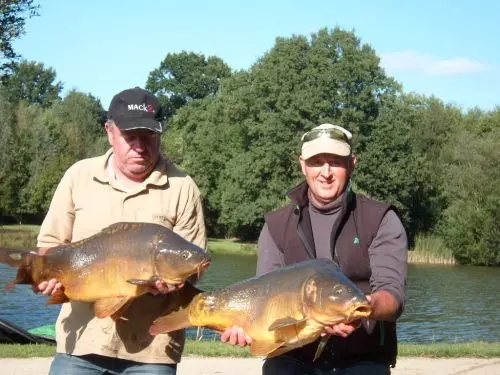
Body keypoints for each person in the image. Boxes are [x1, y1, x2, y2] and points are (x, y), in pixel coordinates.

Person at [36, 87, 207, 374]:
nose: (140, 146)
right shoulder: (79, 176)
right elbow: (49, 246)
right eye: (131, 136)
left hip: (153, 350)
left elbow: (195, 263)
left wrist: (175, 282)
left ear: (159, 133)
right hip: (80, 342)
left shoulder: (182, 186)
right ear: (110, 132)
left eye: (149, 136)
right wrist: (48, 276)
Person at [221, 123, 408, 375]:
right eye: (317, 162)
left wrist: (363, 307)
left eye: (336, 162)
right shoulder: (276, 225)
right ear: (302, 165)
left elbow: (392, 298)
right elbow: (263, 297)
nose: (326, 172)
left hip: (362, 357)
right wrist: (244, 325)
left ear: (352, 163)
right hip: (293, 356)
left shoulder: (380, 218)